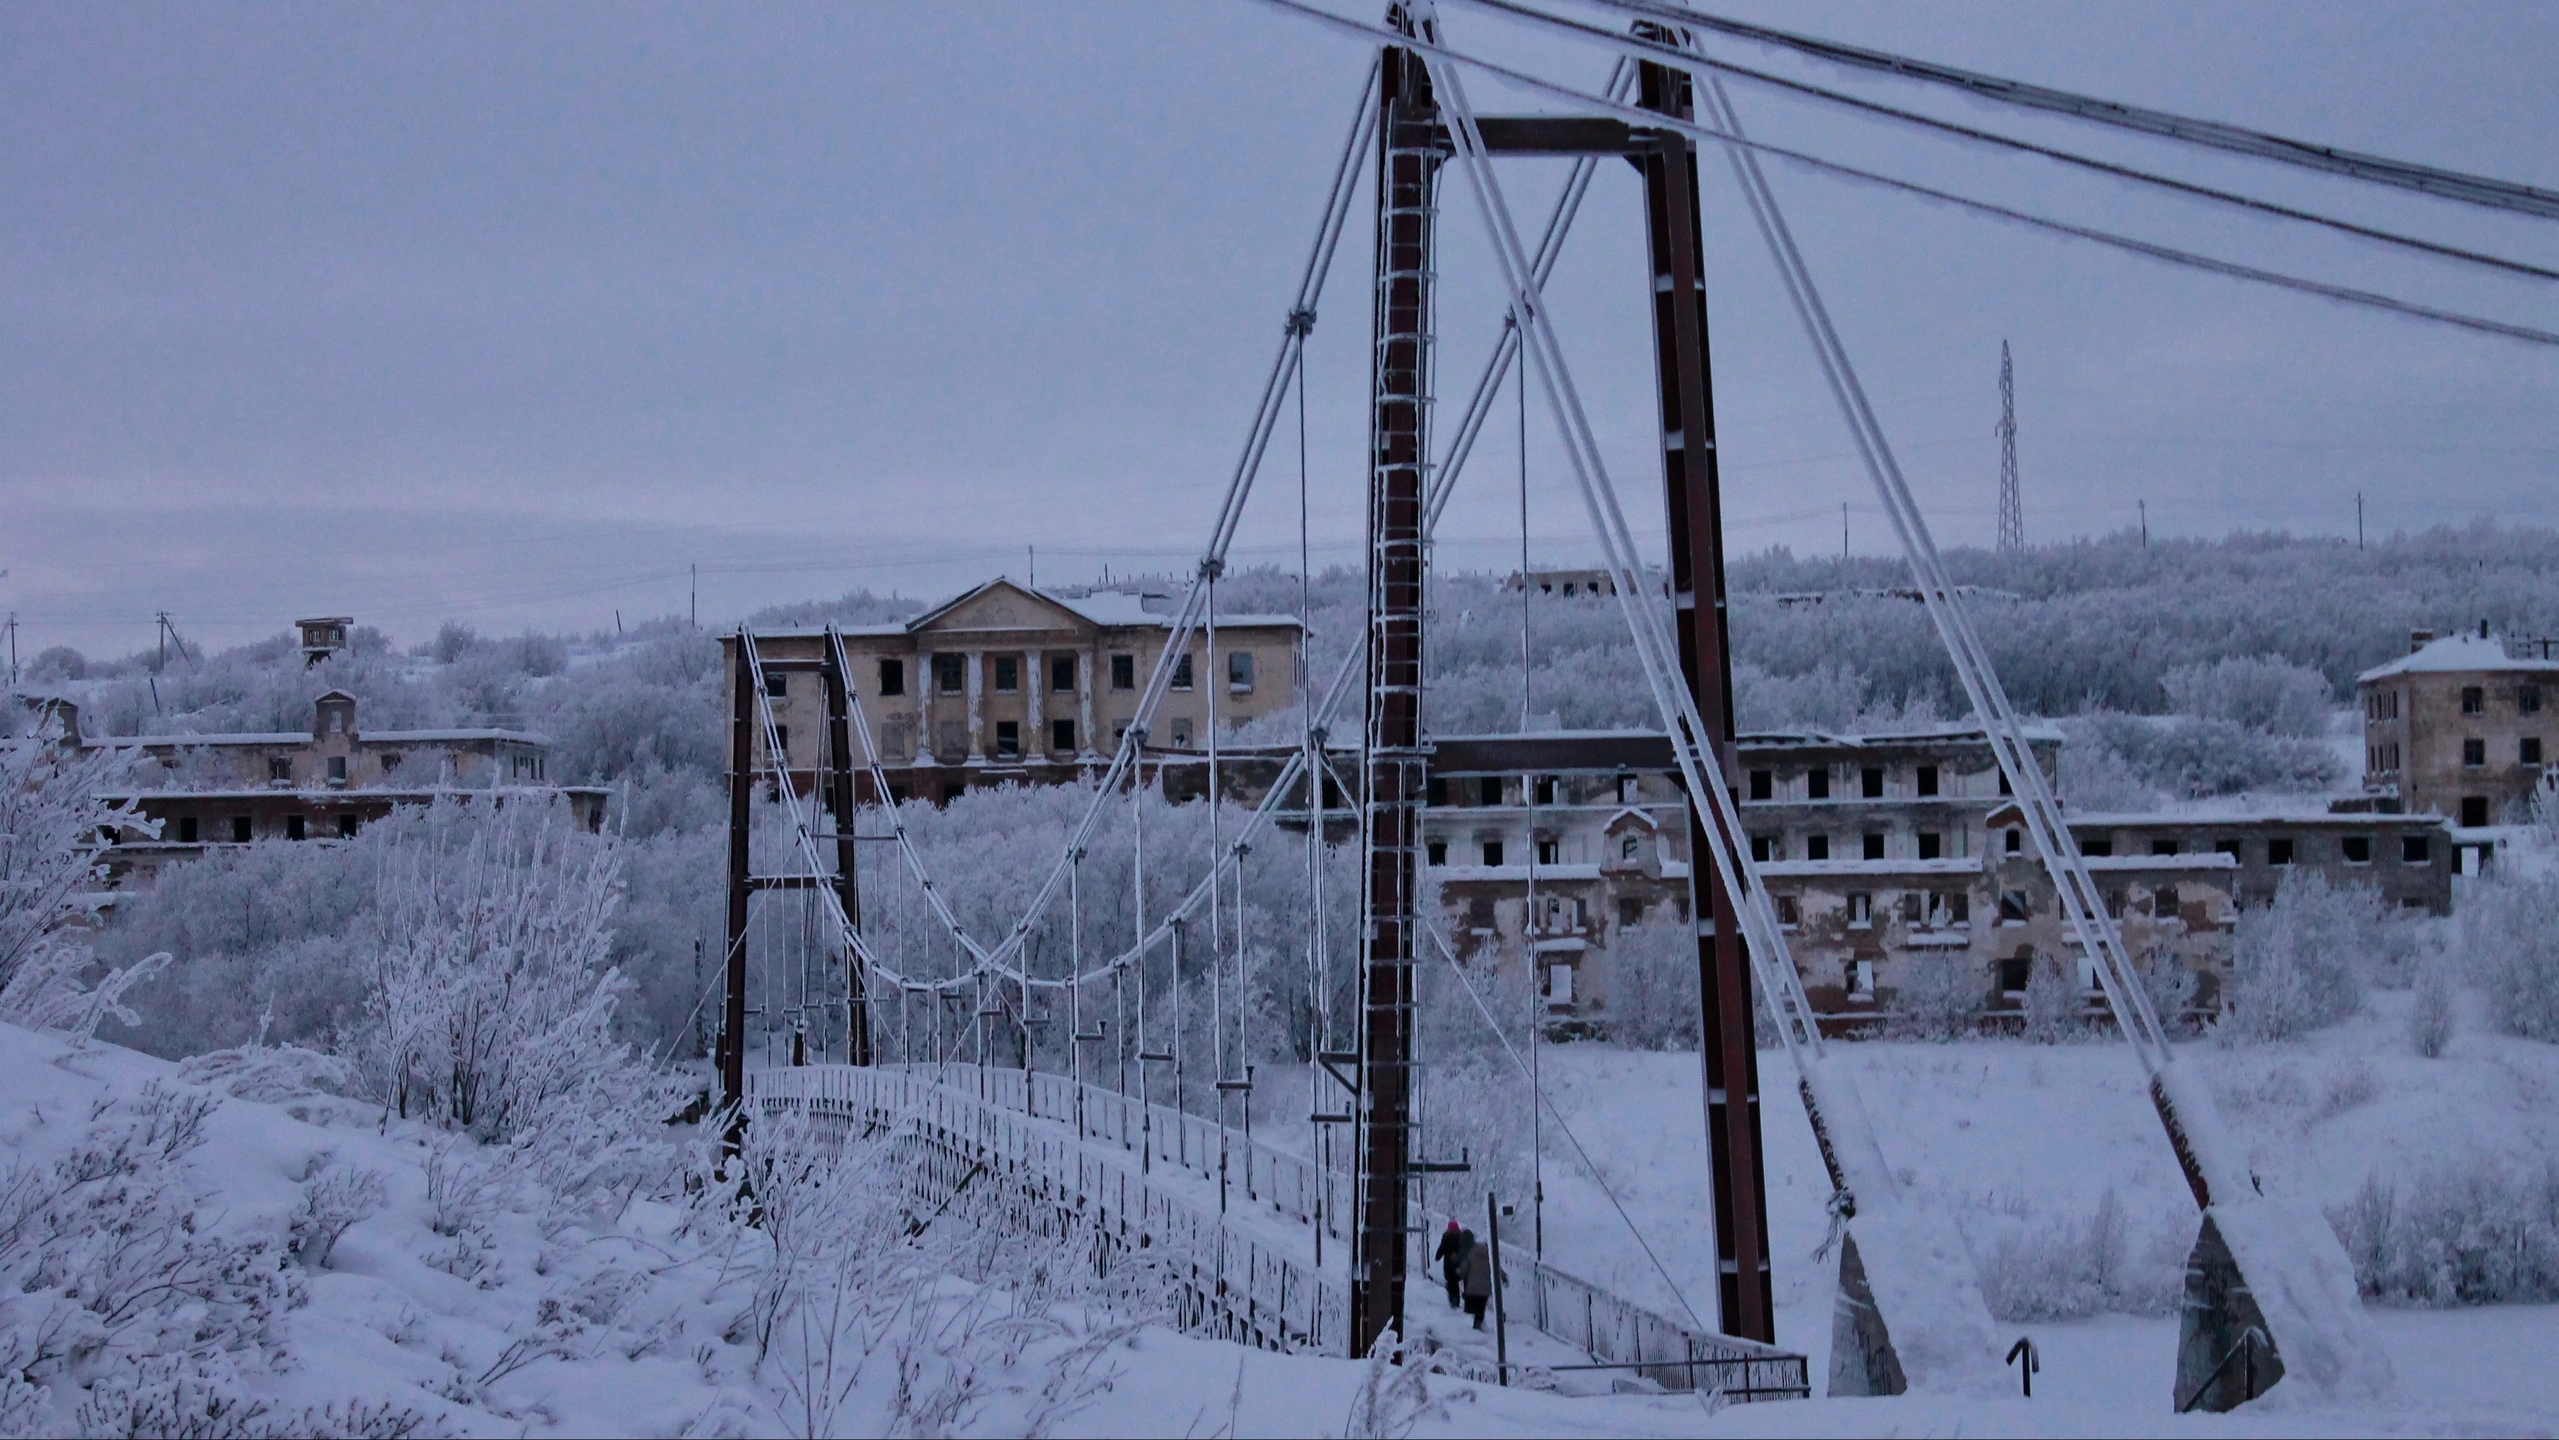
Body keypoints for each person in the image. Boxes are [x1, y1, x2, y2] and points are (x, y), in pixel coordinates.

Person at [1463, 1229, 1500, 1330]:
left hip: (1473, 1286)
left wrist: (1459, 1273)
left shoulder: (1471, 1255)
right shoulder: (1490, 1258)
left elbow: (1464, 1268)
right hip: (1485, 1288)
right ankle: (1478, 1321)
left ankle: (1476, 1320)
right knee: (1481, 1306)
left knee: (1475, 1303)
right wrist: (1503, 1277)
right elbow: (1497, 1269)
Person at [1432, 1220, 1468, 1309]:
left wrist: (1437, 1257)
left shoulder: (1446, 1238)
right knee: (1466, 1282)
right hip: (1461, 1265)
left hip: (1450, 1266)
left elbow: (1441, 1249)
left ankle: (1454, 1302)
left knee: (1452, 1285)